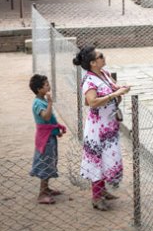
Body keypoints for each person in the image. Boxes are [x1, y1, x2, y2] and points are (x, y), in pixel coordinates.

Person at [74, 45, 131, 211]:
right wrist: (114, 95)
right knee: (97, 160)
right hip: (98, 127)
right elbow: (91, 102)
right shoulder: (89, 80)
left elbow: (112, 88)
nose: (104, 58)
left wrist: (120, 89)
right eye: (101, 56)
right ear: (93, 63)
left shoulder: (104, 74)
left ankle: (102, 189)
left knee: (107, 157)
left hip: (109, 124)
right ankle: (96, 197)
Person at [28, 74, 66, 205]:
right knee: (45, 161)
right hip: (45, 139)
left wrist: (56, 131)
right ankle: (42, 194)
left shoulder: (42, 100)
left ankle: (46, 188)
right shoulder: (38, 103)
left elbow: (51, 120)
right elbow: (46, 116)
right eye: (46, 84)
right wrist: (50, 103)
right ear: (39, 89)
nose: (49, 85)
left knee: (50, 160)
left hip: (50, 135)